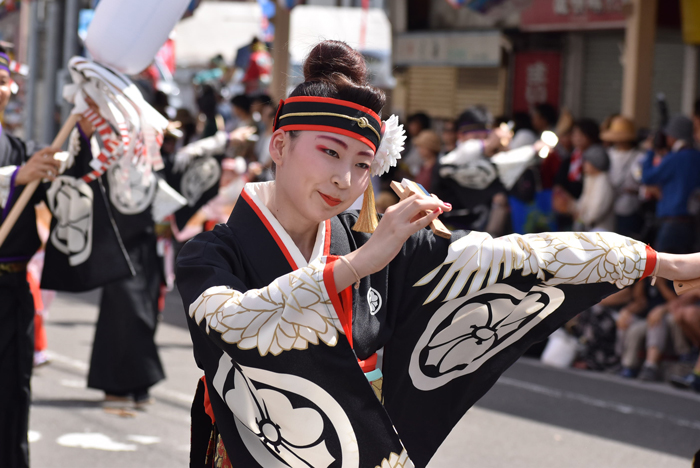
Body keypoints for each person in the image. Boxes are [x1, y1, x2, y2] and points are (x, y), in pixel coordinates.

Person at [176, 40, 700, 468]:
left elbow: (517, 257)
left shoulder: (379, 243)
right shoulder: (213, 253)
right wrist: (358, 266)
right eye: (329, 152)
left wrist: (658, 262)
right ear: (280, 145)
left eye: (363, 163)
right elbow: (229, 321)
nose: (346, 179)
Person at [0, 46, 60, 468]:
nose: (2, 88)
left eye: (3, 79)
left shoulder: (21, 151)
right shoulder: (17, 165)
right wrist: (14, 179)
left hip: (15, 288)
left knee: (12, 393)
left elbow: (64, 201)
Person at [642, 115, 700, 255]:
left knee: (661, 268)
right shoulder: (697, 156)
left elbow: (648, 177)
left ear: (674, 135)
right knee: (686, 271)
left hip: (672, 220)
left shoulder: (674, 158)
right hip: (692, 221)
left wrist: (651, 150)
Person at [600, 116, 644, 238]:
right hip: (609, 205)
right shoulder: (608, 154)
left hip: (629, 206)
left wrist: (635, 191)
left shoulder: (639, 157)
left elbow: (640, 179)